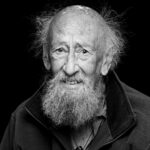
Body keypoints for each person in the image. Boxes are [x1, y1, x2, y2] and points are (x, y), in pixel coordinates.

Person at [0, 5, 150, 150]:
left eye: (83, 52)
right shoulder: (21, 122)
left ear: (106, 61)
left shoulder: (147, 122)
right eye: (60, 50)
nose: (70, 68)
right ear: (46, 57)